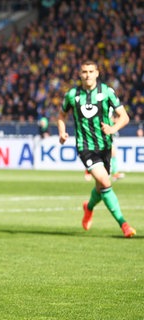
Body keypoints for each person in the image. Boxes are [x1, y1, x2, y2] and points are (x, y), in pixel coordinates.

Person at [57, 60, 136, 238]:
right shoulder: (72, 95)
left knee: (101, 187)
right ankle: (124, 224)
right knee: (105, 182)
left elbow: (124, 117)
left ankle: (89, 207)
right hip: (85, 146)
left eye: (91, 71)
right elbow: (61, 115)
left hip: (105, 146)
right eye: (84, 72)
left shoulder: (107, 92)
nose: (88, 75)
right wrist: (62, 132)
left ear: (97, 73)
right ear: (80, 74)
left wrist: (113, 129)